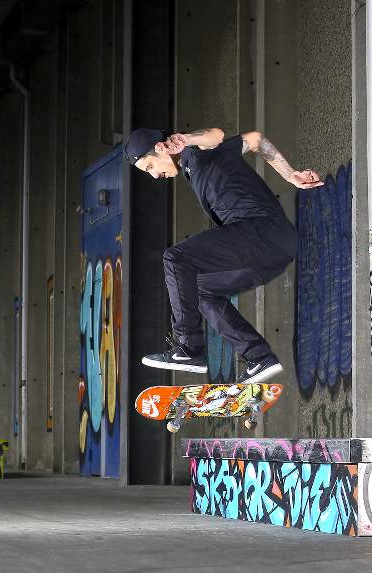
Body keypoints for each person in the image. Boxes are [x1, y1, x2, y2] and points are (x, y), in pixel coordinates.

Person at [124, 127, 323, 383]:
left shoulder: (197, 153)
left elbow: (215, 135)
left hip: (261, 232)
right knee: (197, 289)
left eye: (150, 166)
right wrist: (290, 175)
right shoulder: (191, 168)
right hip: (267, 252)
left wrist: (188, 140)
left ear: (161, 148)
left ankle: (189, 348)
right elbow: (256, 140)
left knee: (175, 259)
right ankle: (259, 357)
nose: (154, 175)